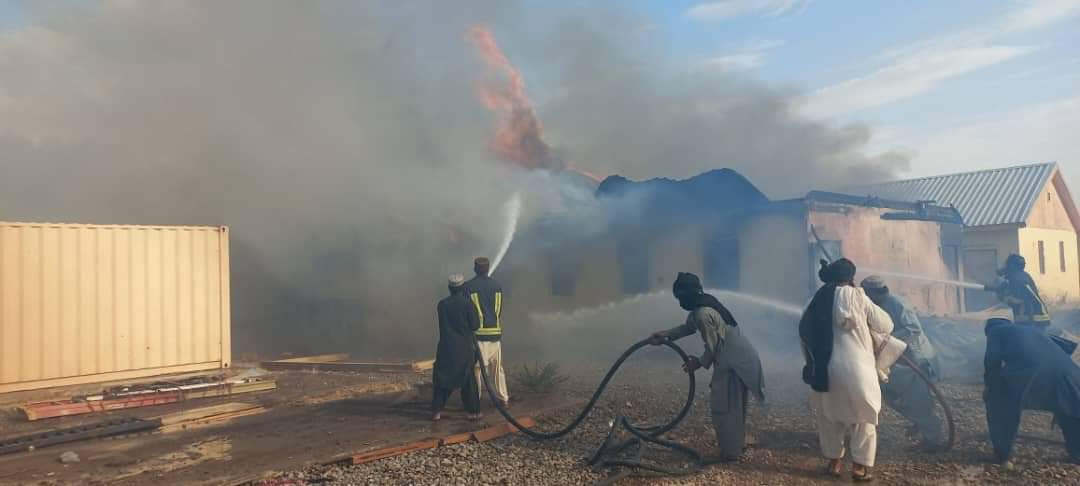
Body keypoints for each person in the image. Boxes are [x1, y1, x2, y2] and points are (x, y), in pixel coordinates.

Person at [648, 272, 764, 462]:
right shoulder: (701, 308)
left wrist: (699, 362)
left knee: (725, 408)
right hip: (735, 361)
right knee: (732, 407)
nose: (680, 302)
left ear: (688, 295)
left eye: (680, 297)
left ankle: (731, 454)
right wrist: (665, 335)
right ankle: (734, 448)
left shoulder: (703, 313)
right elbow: (688, 328)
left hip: (734, 364)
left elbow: (714, 346)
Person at [800, 259, 894, 482]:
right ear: (851, 277)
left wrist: (811, 364)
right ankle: (860, 467)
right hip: (860, 370)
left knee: (829, 417)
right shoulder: (860, 297)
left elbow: (804, 333)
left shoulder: (816, 299)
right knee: (863, 419)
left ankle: (834, 463)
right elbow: (886, 325)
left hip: (828, 369)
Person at [861, 275, 945, 450]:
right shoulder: (875, 306)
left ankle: (934, 440)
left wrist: (886, 340)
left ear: (874, 293)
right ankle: (922, 424)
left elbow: (913, 329)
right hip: (900, 359)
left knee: (918, 400)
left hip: (917, 359)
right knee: (892, 395)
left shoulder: (897, 304)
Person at [983, 318, 1080, 466]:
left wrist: (990, 388)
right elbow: (1067, 347)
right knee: (1069, 409)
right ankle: (1077, 454)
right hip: (1070, 372)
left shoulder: (995, 331)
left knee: (1000, 402)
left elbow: (992, 363)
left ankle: (1003, 455)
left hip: (1036, 373)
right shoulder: (1031, 330)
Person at [432, 274, 482, 421]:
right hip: (464, 349)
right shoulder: (468, 304)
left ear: (449, 288)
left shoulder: (442, 304)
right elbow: (475, 325)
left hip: (446, 348)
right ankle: (473, 412)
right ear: (463, 287)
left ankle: (436, 412)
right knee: (468, 381)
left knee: (443, 380)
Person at [466, 257, 510, 408]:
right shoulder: (497, 285)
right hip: (495, 334)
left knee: (477, 370)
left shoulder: (469, 286)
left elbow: (468, 311)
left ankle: (475, 400)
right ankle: (504, 398)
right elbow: (499, 309)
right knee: (498, 368)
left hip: (478, 336)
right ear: (488, 268)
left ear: (475, 269)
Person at [984, 254, 1052, 331]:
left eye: (1007, 264)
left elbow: (1017, 299)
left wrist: (1002, 295)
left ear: (1012, 266)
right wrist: (996, 289)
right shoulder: (1019, 276)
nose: (1005, 267)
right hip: (1033, 318)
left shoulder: (1017, 279)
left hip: (1031, 319)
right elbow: (1007, 289)